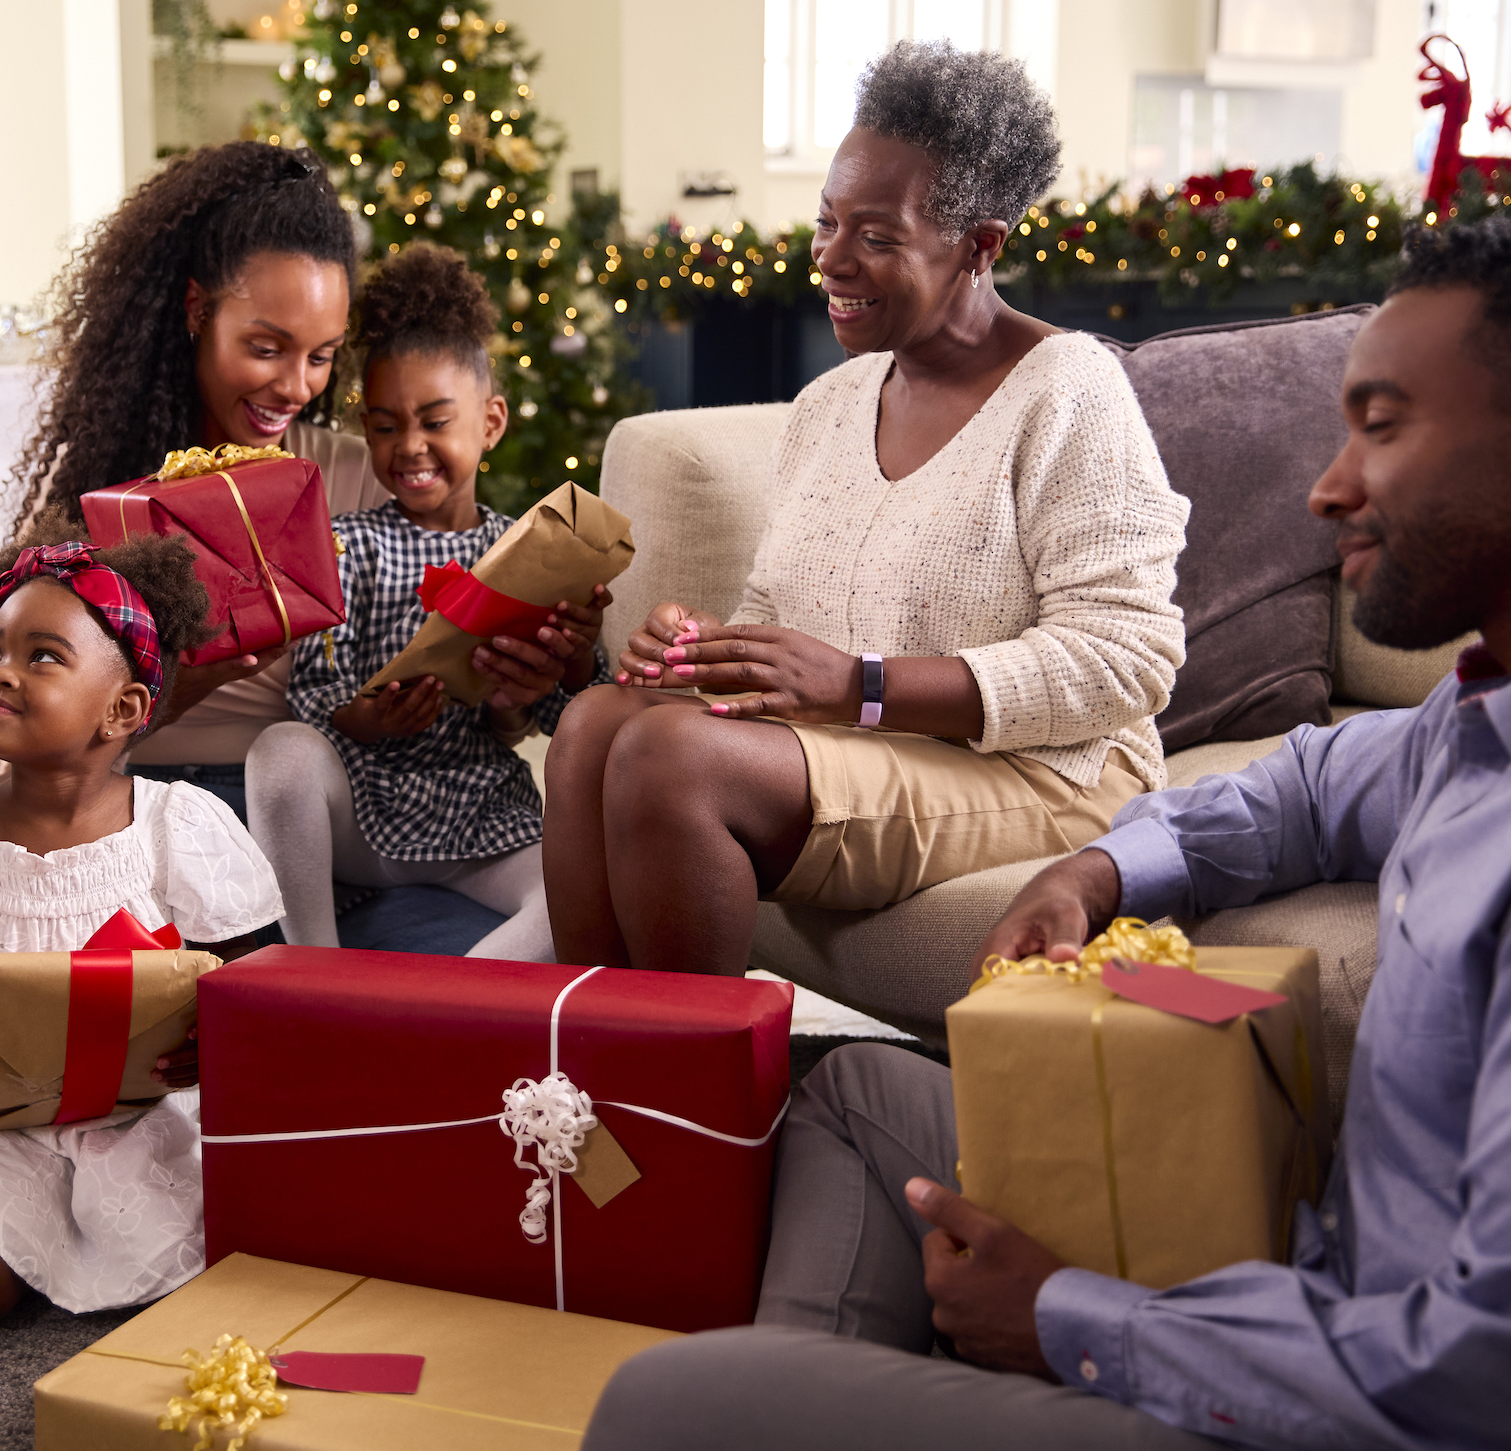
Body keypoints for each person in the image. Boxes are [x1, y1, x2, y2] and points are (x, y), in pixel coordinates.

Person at [581, 215, 1511, 1450]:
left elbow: (1469, 1375)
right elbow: (1300, 788)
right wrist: (1100, 869)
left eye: (1381, 425)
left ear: (973, 237)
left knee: (656, 1400)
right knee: (851, 1090)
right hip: (1292, 1270)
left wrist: (1074, 1316)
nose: (1325, 486)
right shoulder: (1470, 723)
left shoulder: (1064, 389)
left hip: (1332, 1394)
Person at [543, 41, 1188, 986]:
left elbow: (1128, 660)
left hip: (1056, 774)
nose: (831, 259)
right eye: (828, 222)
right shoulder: (831, 405)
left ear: (981, 244)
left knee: (669, 758)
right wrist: (710, 644)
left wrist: (864, 684)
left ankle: (704, 1108)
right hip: (871, 740)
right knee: (596, 722)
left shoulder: (1069, 392)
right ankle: (590, 1087)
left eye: (877, 237)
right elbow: (782, 612)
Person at [0, 528, 282, 1328]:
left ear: (123, 709)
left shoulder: (176, 824)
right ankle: (0, 1230)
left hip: (140, 1113)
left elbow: (257, 976)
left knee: (202, 1262)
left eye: (42, 656)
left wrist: (214, 1039)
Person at [246, 244, 607, 961]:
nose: (409, 447)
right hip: (363, 804)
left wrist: (565, 664)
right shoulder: (346, 543)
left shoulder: (524, 554)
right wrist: (367, 720)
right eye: (384, 426)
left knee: (585, 888)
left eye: (436, 422)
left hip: (481, 817)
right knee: (279, 754)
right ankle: (317, 977)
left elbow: (575, 719)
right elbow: (314, 696)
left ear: (491, 423)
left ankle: (455, 1004)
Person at [6, 140, 376, 822]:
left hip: (312, 814)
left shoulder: (356, 477)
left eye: (321, 356)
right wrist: (190, 681)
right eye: (266, 348)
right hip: (143, 807)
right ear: (197, 311)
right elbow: (15, 735)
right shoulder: (103, 491)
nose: (296, 386)